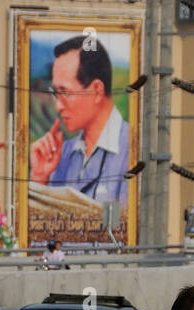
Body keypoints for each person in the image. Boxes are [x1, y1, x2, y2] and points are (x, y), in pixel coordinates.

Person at [29, 35, 130, 204]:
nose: (58, 106)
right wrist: (40, 178)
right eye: (56, 93)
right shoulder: (61, 155)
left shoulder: (133, 148)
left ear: (97, 90)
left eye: (65, 92)